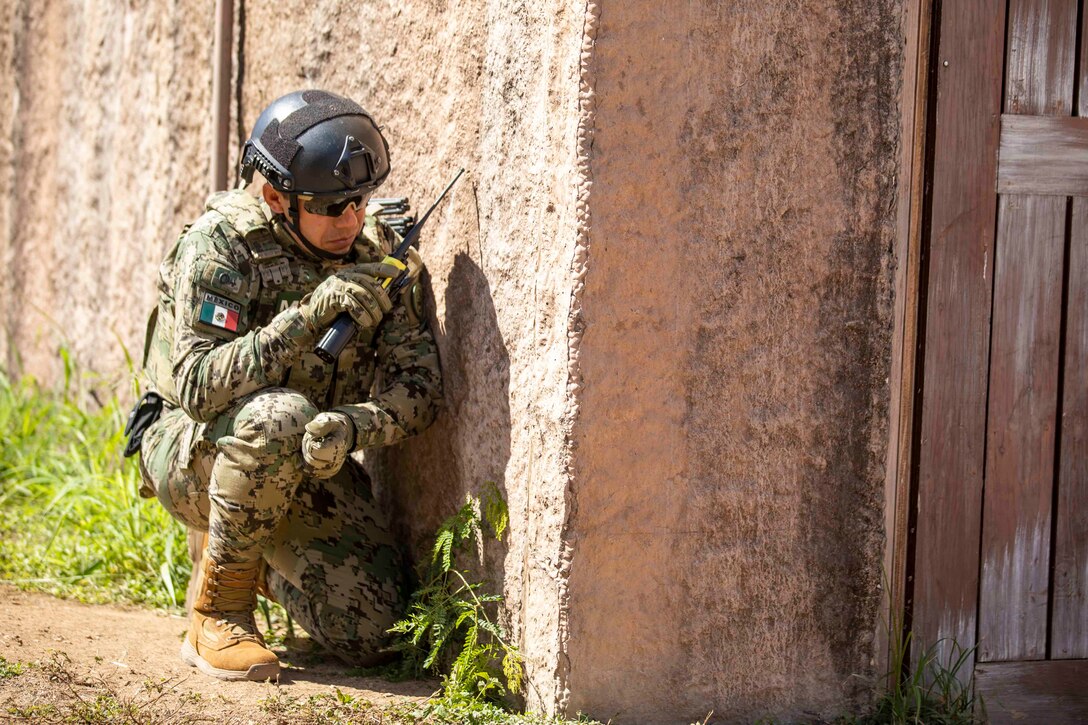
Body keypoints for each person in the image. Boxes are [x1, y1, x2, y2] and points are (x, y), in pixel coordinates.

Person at [133, 89, 443, 682]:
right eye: (330, 208)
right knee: (278, 414)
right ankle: (220, 610)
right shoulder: (220, 245)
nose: (350, 221)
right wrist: (304, 318)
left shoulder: (382, 254)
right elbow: (198, 386)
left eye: (359, 201)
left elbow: (420, 387)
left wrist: (354, 425)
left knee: (381, 631)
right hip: (193, 447)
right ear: (276, 196)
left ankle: (248, 552)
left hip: (301, 458)